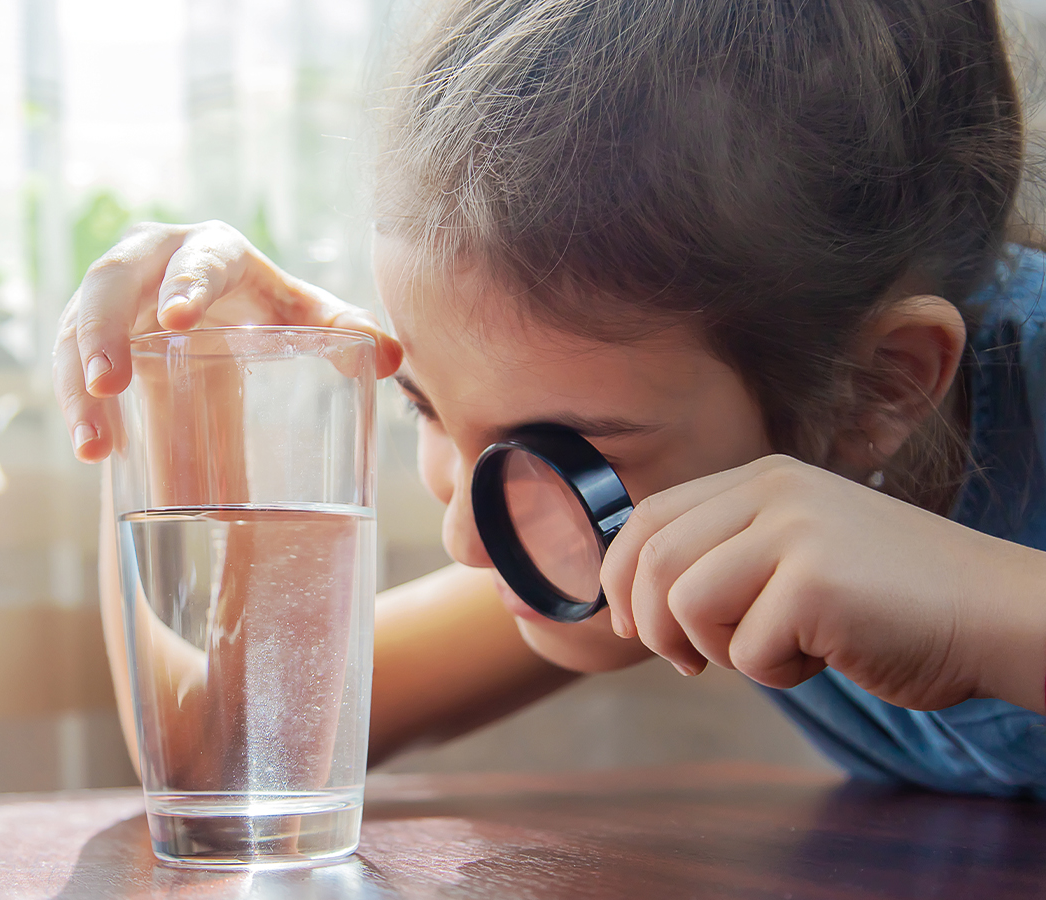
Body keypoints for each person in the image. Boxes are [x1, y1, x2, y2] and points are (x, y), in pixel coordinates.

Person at [54, 0, 1046, 798]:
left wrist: (980, 612)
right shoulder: (608, 511)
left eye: (559, 447)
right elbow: (225, 743)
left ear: (883, 385)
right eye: (424, 407)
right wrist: (169, 383)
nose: (467, 540)